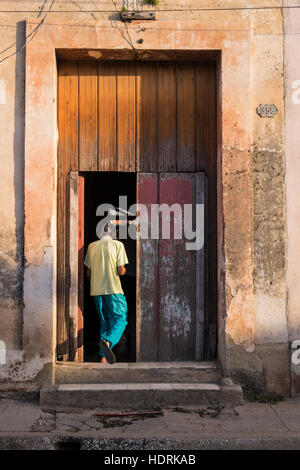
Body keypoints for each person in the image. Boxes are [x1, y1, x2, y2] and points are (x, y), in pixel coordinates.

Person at [84, 224, 129, 364]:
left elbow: (88, 273)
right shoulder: (118, 245)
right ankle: (108, 342)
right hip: (113, 290)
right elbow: (121, 270)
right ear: (114, 233)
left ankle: (103, 357)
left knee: (105, 323)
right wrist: (124, 271)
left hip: (96, 292)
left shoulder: (91, 246)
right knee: (120, 320)